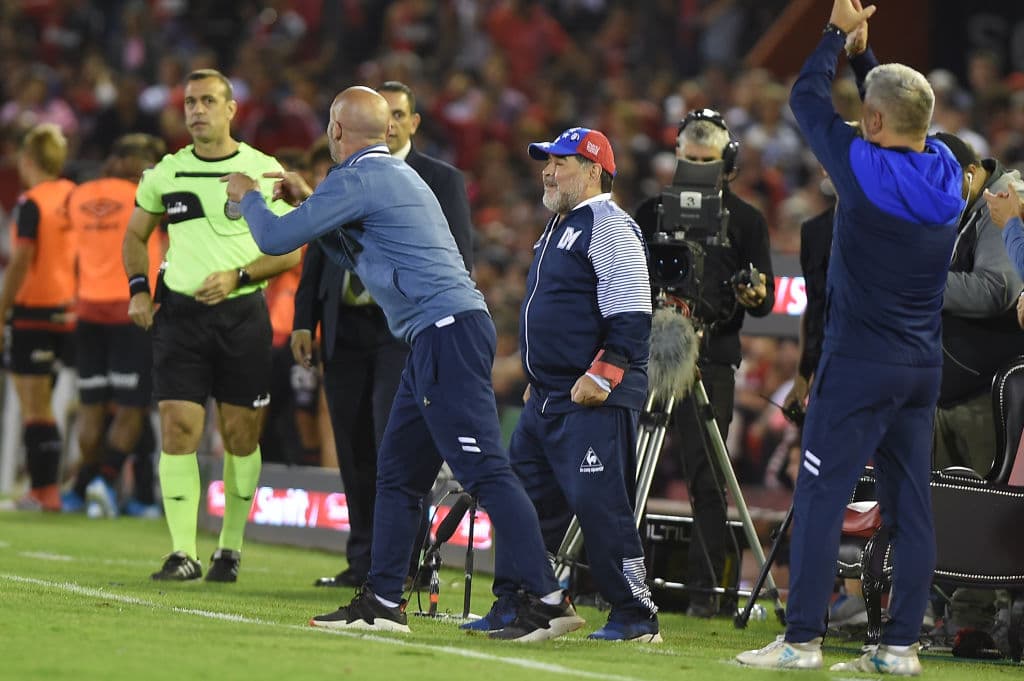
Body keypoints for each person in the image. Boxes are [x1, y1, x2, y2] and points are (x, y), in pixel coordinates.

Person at [223, 86, 582, 641]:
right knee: (397, 474)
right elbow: (356, 253)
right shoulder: (394, 174)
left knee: (485, 470)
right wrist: (309, 202)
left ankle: (549, 599)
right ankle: (384, 600)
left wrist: (248, 196)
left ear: (335, 130)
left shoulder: (359, 177)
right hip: (440, 334)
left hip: (444, 333)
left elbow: (273, 239)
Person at [737, 1, 966, 674]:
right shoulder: (947, 171)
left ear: (871, 122)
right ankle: (899, 649)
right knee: (910, 507)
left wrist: (836, 34)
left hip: (858, 363)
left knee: (820, 495)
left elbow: (805, 96)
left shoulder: (860, 167)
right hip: (920, 366)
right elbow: (904, 114)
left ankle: (801, 640)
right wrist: (866, 56)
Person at [463, 127, 659, 641]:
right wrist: (537, 376)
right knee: (520, 502)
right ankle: (521, 602)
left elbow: (632, 312)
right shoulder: (559, 225)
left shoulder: (610, 225)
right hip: (547, 396)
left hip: (591, 396)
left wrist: (605, 374)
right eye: (546, 162)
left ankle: (635, 615)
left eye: (561, 162)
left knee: (601, 506)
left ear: (593, 170)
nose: (548, 171)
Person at [122, 69, 301, 582]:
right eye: (190, 102)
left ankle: (230, 548)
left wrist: (238, 276)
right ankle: (182, 552)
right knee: (178, 426)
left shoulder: (263, 169)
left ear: (230, 109)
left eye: (207, 101)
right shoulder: (166, 172)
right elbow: (135, 236)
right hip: (179, 318)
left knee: (241, 437)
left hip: (242, 316)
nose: (197, 110)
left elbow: (290, 248)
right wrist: (138, 288)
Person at [295, 80, 474, 589]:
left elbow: (459, 258)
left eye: (397, 114)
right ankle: (362, 560)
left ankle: (405, 564)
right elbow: (317, 246)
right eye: (383, 113)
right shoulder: (344, 173)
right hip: (344, 327)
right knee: (352, 446)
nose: (388, 123)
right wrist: (305, 318)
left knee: (392, 446)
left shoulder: (438, 179)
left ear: (412, 122)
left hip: (404, 333)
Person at [634, 107, 775, 618]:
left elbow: (764, 299)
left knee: (708, 479)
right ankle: (614, 579)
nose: (696, 169)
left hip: (711, 357)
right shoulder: (650, 212)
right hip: (650, 352)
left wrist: (755, 294)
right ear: (675, 156)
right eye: (689, 160)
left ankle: (706, 595)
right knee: (626, 468)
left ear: (727, 163)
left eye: (706, 161)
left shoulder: (747, 221)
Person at [65, 133, 167, 519]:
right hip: (133, 309)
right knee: (131, 408)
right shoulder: (147, 196)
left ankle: (82, 488)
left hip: (87, 309)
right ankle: (103, 483)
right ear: (135, 163)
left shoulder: (78, 196)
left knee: (91, 408)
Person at [929, 132, 1024, 476]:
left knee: (984, 504)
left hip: (985, 400)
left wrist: (918, 283)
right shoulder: (961, 208)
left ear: (970, 171)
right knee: (943, 504)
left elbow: (996, 289)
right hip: (947, 395)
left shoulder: (1004, 202)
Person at [0, 123, 76, 511]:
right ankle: (49, 489)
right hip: (70, 310)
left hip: (33, 310)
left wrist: (1, 310)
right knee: (47, 404)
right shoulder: (74, 196)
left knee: (35, 406)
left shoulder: (31, 202)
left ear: (28, 159)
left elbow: (21, 260)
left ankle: (43, 491)